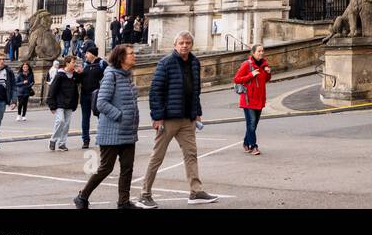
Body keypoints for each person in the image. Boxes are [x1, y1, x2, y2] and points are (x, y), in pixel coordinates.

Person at [139, 31, 217, 207]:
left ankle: (196, 192)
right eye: (181, 43)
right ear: (175, 45)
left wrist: (197, 112)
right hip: (168, 119)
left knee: (191, 155)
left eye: (188, 42)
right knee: (157, 157)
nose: (184, 45)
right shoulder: (165, 63)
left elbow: (196, 90)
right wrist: (157, 117)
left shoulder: (195, 63)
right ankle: (145, 194)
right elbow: (155, 91)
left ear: (191, 45)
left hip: (187, 119)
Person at [74, 44, 146, 210]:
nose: (134, 56)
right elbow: (102, 103)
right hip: (112, 131)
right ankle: (82, 196)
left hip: (128, 131)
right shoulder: (110, 76)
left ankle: (123, 202)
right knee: (106, 167)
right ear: (121, 57)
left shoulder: (127, 76)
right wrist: (120, 116)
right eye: (131, 53)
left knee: (127, 168)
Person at [233, 44, 272, 155]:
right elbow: (236, 79)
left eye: (262, 51)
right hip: (248, 100)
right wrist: (251, 74)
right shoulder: (247, 64)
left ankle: (246, 143)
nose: (261, 53)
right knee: (252, 124)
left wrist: (268, 73)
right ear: (253, 53)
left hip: (259, 99)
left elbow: (265, 80)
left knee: (253, 124)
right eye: (259, 51)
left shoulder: (264, 65)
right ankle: (253, 146)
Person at [46, 57, 80, 151]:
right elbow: (52, 90)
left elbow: (78, 85)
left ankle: (62, 143)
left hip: (70, 103)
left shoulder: (74, 75)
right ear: (67, 63)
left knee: (66, 124)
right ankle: (53, 140)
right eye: (73, 62)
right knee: (60, 121)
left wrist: (79, 72)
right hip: (59, 103)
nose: (74, 64)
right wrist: (52, 105)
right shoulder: (60, 75)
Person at [79, 45, 107, 150]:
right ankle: (85, 140)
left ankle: (101, 138)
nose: (85, 55)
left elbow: (108, 77)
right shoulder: (84, 65)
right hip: (85, 95)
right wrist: (78, 74)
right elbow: (79, 80)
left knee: (101, 118)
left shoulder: (102, 64)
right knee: (85, 118)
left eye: (87, 53)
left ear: (92, 54)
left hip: (98, 95)